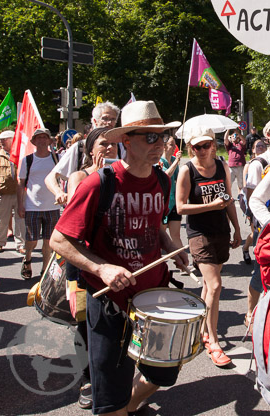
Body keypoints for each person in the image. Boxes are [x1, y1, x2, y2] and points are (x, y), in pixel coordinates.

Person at [50, 100, 188, 415]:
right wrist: (102, 268)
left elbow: (156, 226)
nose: (159, 144)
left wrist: (171, 248)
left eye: (162, 136)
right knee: (111, 396)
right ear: (126, 140)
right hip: (110, 301)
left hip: (154, 297)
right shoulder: (99, 183)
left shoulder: (162, 179)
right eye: (149, 137)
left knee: (162, 373)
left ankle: (130, 406)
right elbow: (59, 239)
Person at [176, 127, 242, 367]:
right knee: (214, 285)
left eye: (206, 145)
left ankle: (202, 330)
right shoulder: (187, 170)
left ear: (213, 145)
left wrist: (236, 228)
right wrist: (211, 205)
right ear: (190, 148)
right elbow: (180, 207)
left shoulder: (222, 166)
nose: (203, 150)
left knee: (207, 285)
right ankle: (213, 342)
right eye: (197, 147)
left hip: (221, 231)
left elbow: (229, 200)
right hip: (199, 234)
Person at [65, 126, 118, 412]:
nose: (109, 149)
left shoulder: (123, 174)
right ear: (90, 150)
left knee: (114, 323)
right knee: (84, 323)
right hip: (83, 262)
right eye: (103, 144)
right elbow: (74, 220)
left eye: (113, 145)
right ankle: (86, 380)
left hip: (115, 261)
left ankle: (116, 383)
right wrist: (98, 177)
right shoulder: (79, 176)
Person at [242, 117, 270, 329]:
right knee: (260, 272)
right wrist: (254, 226)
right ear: (269, 136)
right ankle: (250, 312)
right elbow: (252, 197)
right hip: (264, 225)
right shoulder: (259, 163)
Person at [45, 102, 121, 206]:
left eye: (113, 119)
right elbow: (51, 177)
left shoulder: (121, 148)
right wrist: (59, 193)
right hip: (84, 207)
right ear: (95, 121)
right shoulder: (80, 147)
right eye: (105, 118)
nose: (109, 123)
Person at [17, 127, 60, 279]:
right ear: (34, 142)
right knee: (32, 240)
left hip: (52, 206)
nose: (42, 140)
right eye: (38, 138)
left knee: (48, 242)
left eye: (44, 137)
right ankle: (27, 258)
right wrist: (20, 205)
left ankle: (45, 270)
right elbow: (21, 184)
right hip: (32, 206)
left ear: (49, 141)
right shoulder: (27, 160)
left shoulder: (57, 158)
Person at [0, 129, 24, 253]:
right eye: (0, 140)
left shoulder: (21, 154)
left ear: (12, 140)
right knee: (1, 220)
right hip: (2, 193)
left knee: (21, 219)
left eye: (4, 139)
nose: (1, 142)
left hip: (19, 192)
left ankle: (21, 245)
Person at [159, 135, 182, 248]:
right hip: (163, 204)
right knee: (161, 236)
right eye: (171, 145)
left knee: (176, 235)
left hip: (173, 203)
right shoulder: (159, 161)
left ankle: (182, 258)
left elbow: (178, 178)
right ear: (164, 146)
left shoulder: (173, 160)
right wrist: (176, 161)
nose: (174, 147)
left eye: (175, 144)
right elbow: (166, 176)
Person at [224, 130, 247, 197]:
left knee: (241, 184)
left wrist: (238, 133)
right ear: (230, 138)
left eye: (235, 136)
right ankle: (228, 196)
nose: (234, 137)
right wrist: (228, 130)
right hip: (231, 167)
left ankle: (241, 196)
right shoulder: (230, 145)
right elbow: (225, 139)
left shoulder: (240, 144)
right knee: (228, 183)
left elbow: (244, 141)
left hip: (240, 166)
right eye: (233, 136)